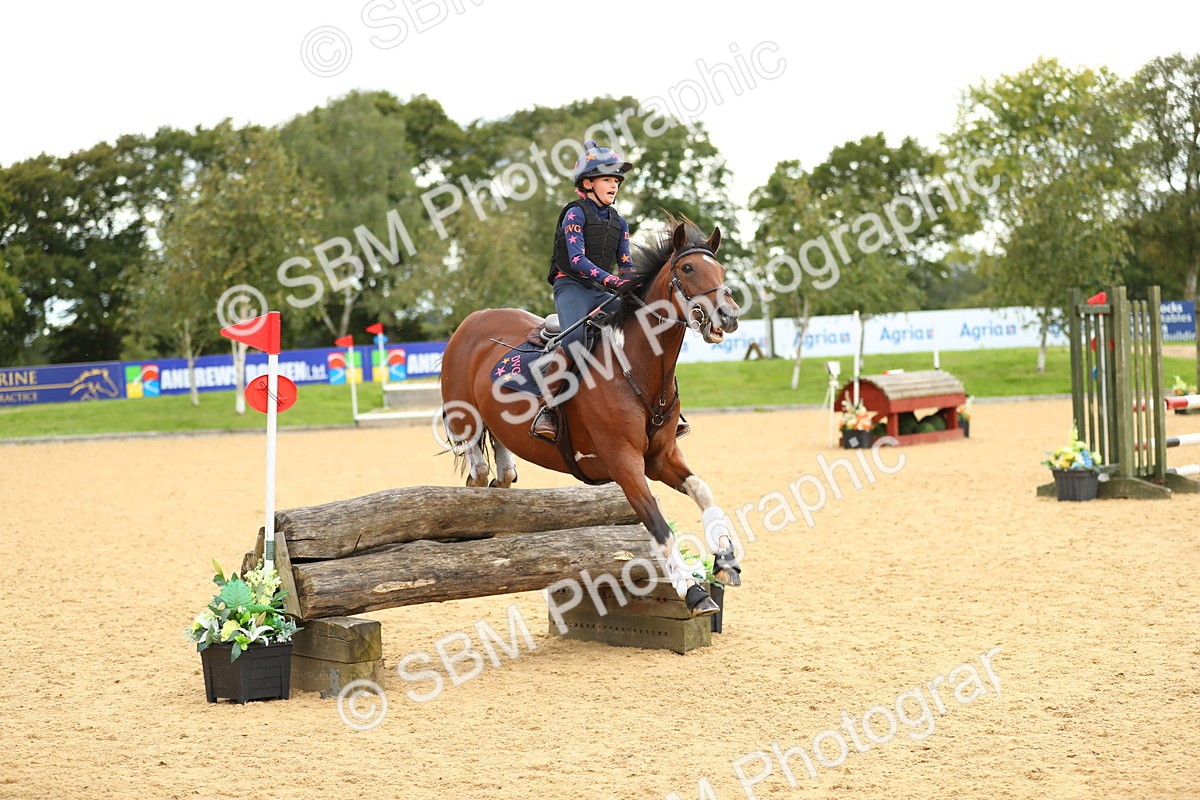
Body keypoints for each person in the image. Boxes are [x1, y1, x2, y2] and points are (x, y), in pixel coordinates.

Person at [530, 140, 689, 442]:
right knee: (575, 338)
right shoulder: (574, 214)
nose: (614, 185)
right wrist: (614, 282)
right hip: (572, 285)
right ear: (587, 183)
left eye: (616, 180)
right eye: (607, 179)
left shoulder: (620, 222)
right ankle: (546, 408)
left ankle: (666, 408)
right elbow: (577, 261)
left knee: (645, 329)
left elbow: (626, 266)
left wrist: (635, 283)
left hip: (603, 290)